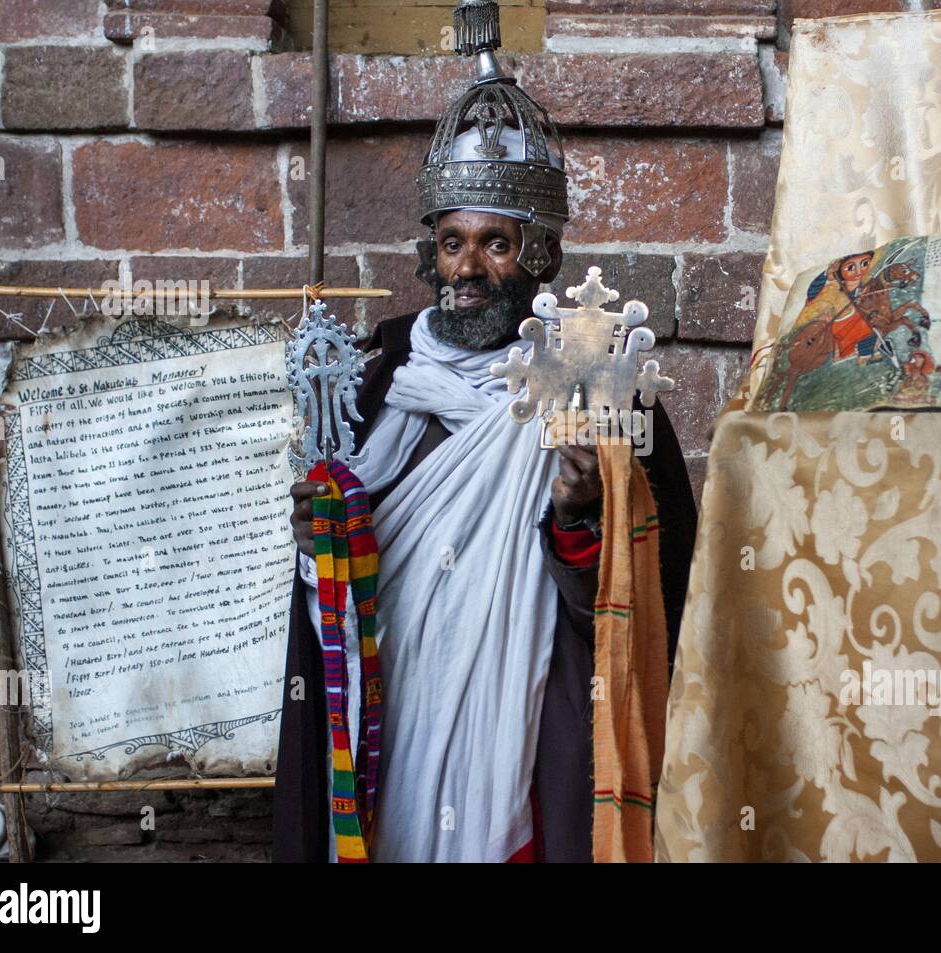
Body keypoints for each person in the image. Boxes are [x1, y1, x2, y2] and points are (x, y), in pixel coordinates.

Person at [272, 0, 697, 863]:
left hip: (529, 725)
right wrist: (321, 528)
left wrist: (580, 516)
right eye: (454, 241)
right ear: (431, 251)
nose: (469, 268)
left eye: (496, 245)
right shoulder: (375, 373)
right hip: (391, 718)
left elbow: (644, 597)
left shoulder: (597, 379)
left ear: (538, 257)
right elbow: (338, 574)